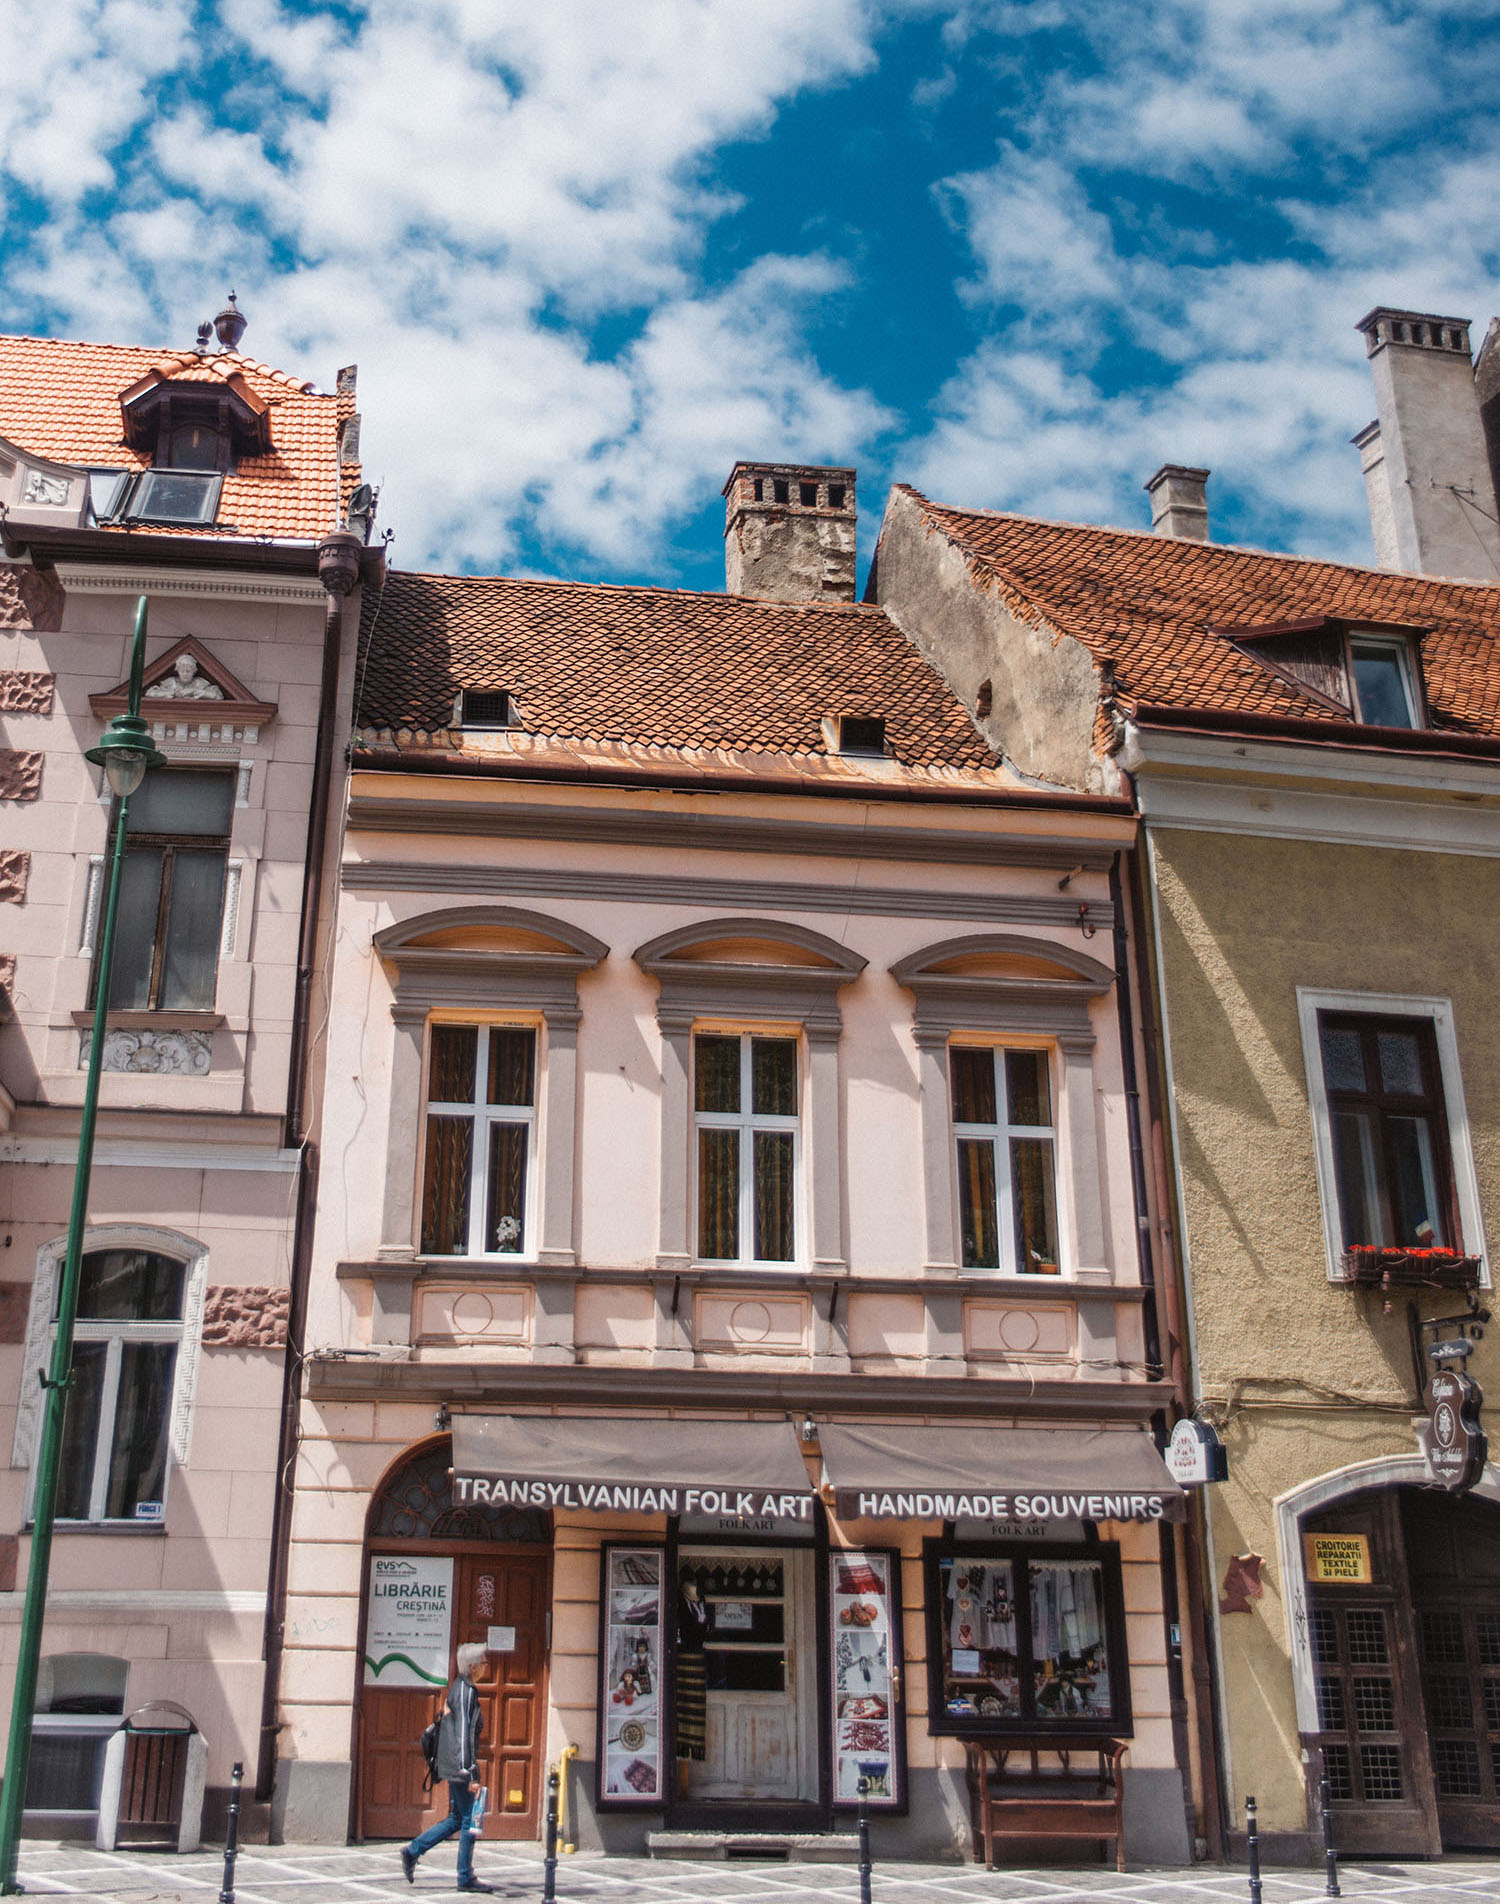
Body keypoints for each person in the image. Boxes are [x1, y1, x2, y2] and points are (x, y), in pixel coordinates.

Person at [402, 1642, 490, 1892]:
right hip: (461, 1766)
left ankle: (413, 1850)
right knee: (469, 1821)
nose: (486, 1666)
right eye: (484, 1662)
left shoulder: (461, 1688)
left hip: (456, 1763)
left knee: (456, 1818)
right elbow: (464, 1733)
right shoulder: (466, 1691)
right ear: (473, 1667)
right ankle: (465, 1876)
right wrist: (471, 1772)